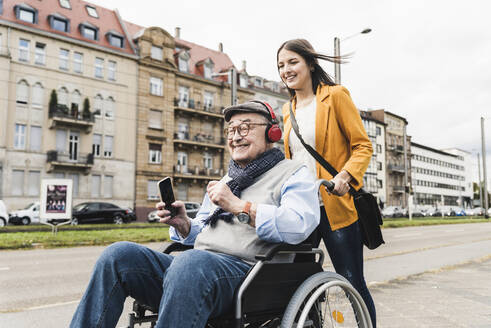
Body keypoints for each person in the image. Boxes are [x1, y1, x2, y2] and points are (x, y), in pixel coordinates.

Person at [69, 101, 320, 328]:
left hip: (250, 277)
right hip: (194, 272)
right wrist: (184, 225)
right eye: (231, 130)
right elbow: (206, 231)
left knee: (191, 263)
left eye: (244, 128)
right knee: (118, 255)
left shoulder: (294, 173)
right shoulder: (227, 180)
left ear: (271, 133)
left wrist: (239, 206)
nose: (235, 136)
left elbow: (299, 225)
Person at [277, 39, 377, 327]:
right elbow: (291, 160)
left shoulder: (335, 96)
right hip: (300, 210)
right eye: (281, 65)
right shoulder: (288, 110)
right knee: (298, 284)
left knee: (351, 279)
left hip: (335, 206)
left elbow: (362, 146)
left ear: (310, 63)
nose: (286, 70)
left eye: (292, 62)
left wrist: (345, 176)